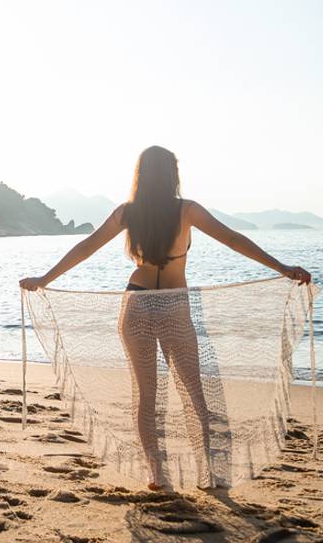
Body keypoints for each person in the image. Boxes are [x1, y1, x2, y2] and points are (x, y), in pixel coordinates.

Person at [19, 145, 311, 489]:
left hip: (137, 303)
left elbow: (86, 247)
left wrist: (44, 280)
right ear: (172, 175)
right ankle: (208, 474)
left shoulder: (128, 213)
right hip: (173, 305)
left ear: (140, 176)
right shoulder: (187, 210)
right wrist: (282, 268)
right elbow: (233, 239)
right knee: (194, 392)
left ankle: (156, 473)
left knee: (146, 394)